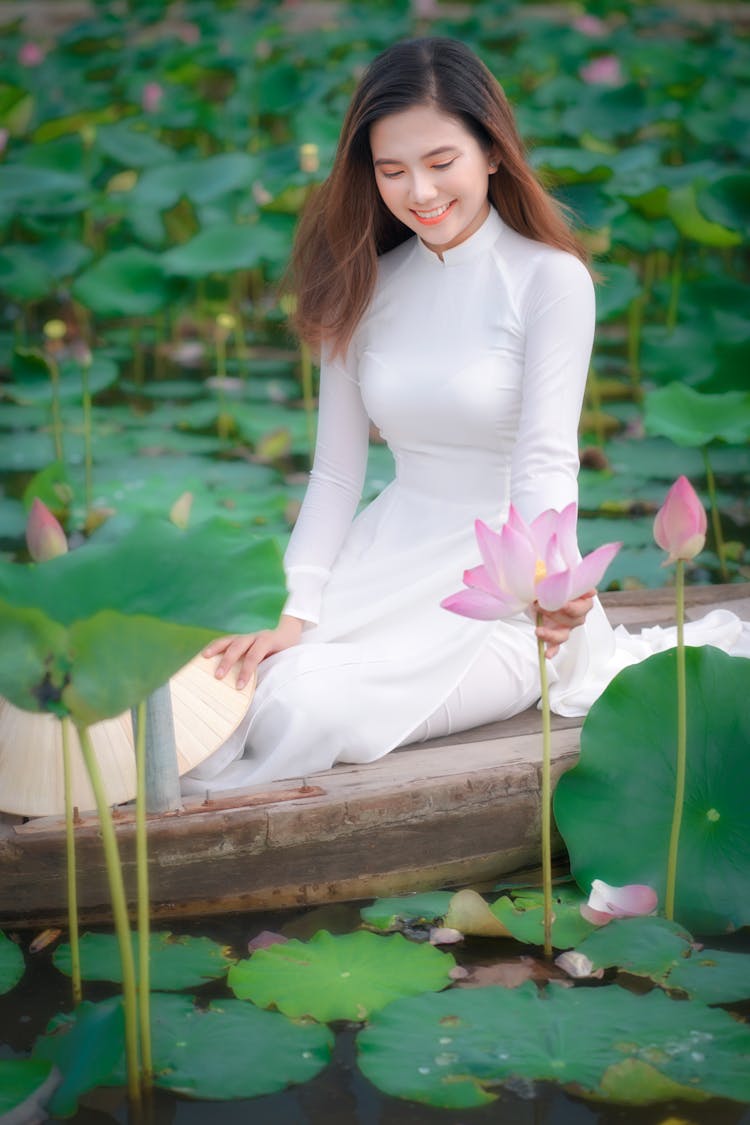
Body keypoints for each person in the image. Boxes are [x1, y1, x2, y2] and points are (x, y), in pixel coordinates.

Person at [181, 37, 746, 796]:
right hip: (382, 559)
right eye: (391, 170)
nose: (419, 191)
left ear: (491, 152)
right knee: (228, 679)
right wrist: (294, 605)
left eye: (440, 161)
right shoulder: (362, 285)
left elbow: (545, 459)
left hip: (501, 592)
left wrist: (547, 591)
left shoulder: (549, 280)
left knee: (305, 704)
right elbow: (336, 471)